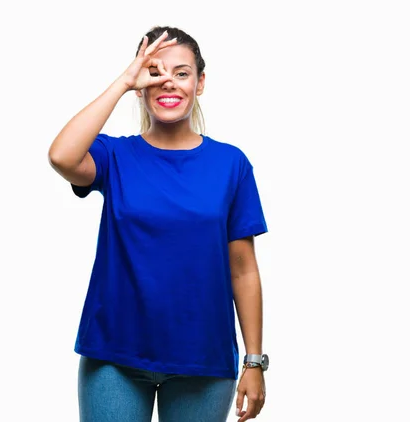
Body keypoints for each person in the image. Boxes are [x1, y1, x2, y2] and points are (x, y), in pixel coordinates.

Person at [48, 25, 269, 422]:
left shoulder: (231, 164)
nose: (169, 82)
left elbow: (243, 269)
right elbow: (62, 157)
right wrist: (123, 81)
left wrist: (255, 362)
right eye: (155, 72)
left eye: (182, 73)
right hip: (114, 356)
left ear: (200, 83)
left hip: (202, 359)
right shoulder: (114, 155)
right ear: (140, 84)